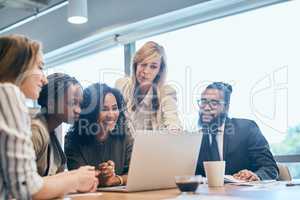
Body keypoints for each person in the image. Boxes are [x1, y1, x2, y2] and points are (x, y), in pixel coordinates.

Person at [0, 35, 98, 199]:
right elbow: (26, 187)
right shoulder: (8, 93)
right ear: (19, 66)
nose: (44, 79)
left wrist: (74, 178)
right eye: (39, 67)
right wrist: (75, 179)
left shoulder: (50, 133)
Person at [195, 82, 279, 181]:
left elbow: (270, 168)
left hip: (244, 194)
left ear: (226, 107)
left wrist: (256, 176)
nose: (206, 108)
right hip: (208, 195)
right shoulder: (196, 139)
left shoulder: (247, 128)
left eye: (214, 103)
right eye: (203, 102)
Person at [65, 83, 133, 187]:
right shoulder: (73, 140)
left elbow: (136, 173)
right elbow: (78, 179)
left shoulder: (125, 136)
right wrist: (102, 176)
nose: (111, 115)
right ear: (90, 113)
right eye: (104, 109)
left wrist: (115, 180)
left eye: (114, 108)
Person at [115, 41, 182, 132]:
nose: (146, 71)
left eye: (153, 67)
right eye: (143, 64)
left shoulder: (166, 92)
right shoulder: (122, 85)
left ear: (159, 70)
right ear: (136, 65)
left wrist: (174, 131)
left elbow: (173, 121)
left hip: (153, 145)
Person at [31, 73, 83, 176]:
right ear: (50, 104)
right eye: (72, 103)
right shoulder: (35, 132)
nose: (78, 110)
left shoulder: (51, 132)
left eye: (80, 104)